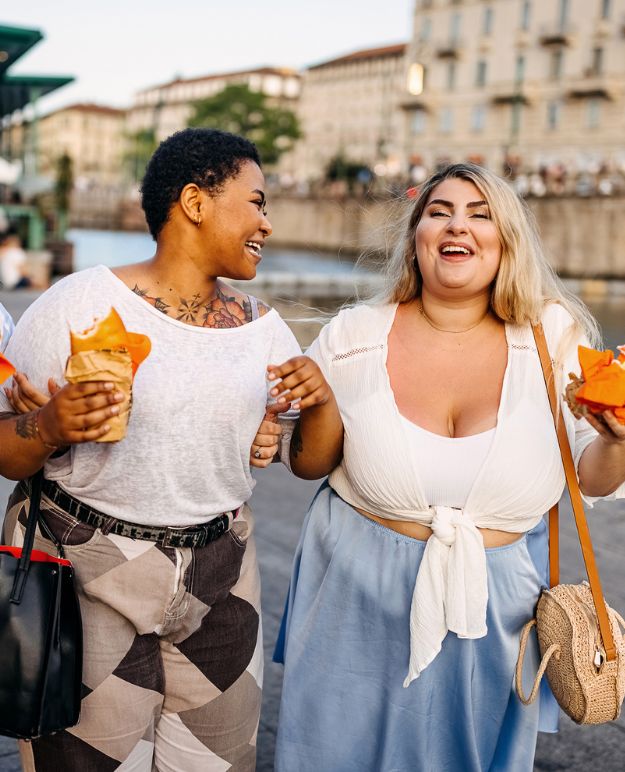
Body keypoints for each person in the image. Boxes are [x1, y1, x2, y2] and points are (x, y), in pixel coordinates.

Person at [256, 163, 625, 771]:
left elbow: (594, 474)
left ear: (506, 240)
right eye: (439, 212)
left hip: (497, 611)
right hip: (355, 595)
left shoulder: (553, 336)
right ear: (415, 237)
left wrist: (618, 438)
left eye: (481, 215)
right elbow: (308, 462)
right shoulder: (355, 334)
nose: (458, 225)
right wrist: (319, 400)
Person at [0, 127, 329, 772]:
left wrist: (319, 402)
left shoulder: (263, 327)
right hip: (88, 573)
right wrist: (50, 426)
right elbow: (7, 452)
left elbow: (306, 459)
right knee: (87, 760)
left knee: (217, 760)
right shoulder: (79, 303)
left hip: (223, 577)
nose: (267, 221)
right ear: (195, 201)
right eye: (256, 200)